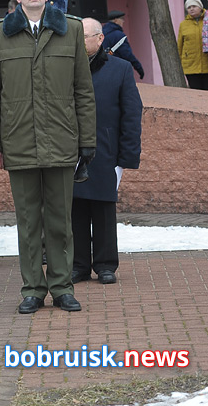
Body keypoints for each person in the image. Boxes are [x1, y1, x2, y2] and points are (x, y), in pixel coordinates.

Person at [0, 0, 96, 314]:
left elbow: (83, 90)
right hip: (19, 142)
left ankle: (62, 287)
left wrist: (86, 142)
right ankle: (32, 288)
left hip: (62, 140)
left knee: (61, 220)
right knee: (28, 221)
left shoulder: (71, 30)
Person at [71, 19, 142, 286]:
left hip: (106, 150)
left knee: (102, 209)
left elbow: (132, 114)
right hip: (72, 151)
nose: (79, 41)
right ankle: (78, 266)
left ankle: (105, 264)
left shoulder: (121, 69)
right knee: (75, 210)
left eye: (84, 36)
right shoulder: (67, 68)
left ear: (100, 39)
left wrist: (127, 157)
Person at [177, 0, 208, 90]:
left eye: (194, 6)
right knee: (196, 94)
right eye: (189, 7)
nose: (191, 9)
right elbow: (180, 46)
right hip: (190, 66)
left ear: (200, 7)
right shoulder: (183, 25)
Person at [102, 11, 145, 80]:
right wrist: (139, 68)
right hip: (117, 70)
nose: (123, 21)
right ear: (116, 20)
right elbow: (127, 54)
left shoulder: (100, 34)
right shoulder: (119, 36)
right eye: (121, 19)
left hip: (103, 70)